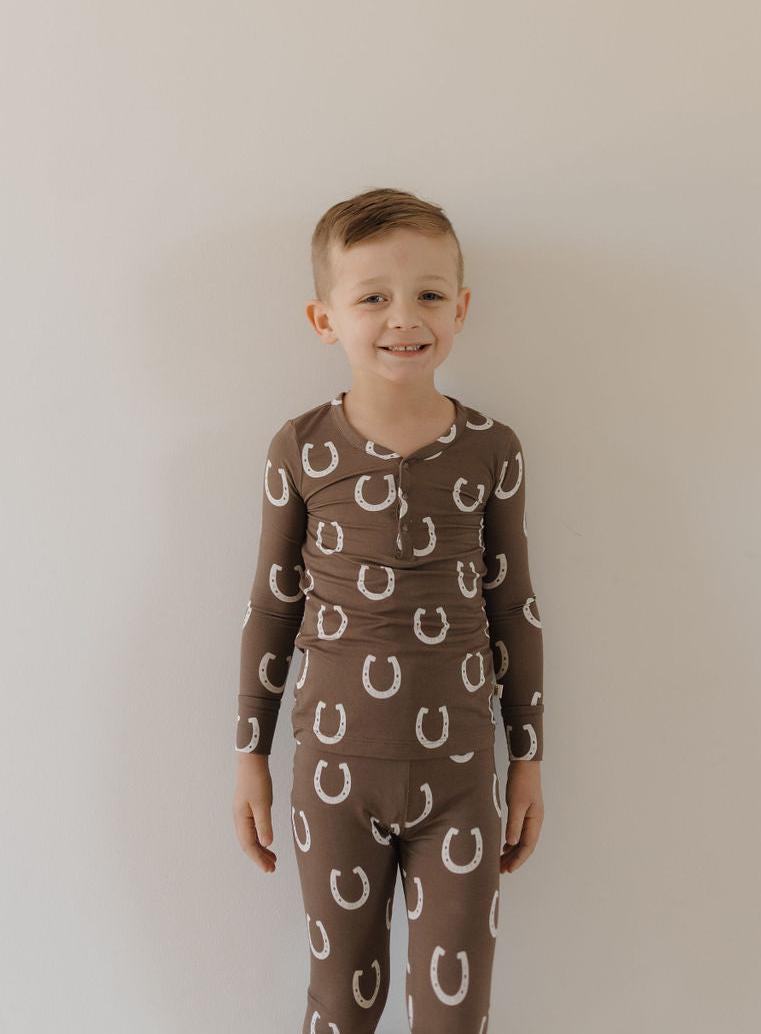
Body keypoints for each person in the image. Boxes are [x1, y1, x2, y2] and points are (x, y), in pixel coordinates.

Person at [232, 186, 544, 1034]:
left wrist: (527, 758)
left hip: (459, 785)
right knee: (341, 1006)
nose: (404, 317)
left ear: (461, 308)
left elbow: (514, 607)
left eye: (429, 295)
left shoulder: (491, 448)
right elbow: (272, 606)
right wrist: (250, 753)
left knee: (455, 1014)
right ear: (324, 317)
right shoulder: (300, 448)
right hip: (333, 776)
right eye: (372, 296)